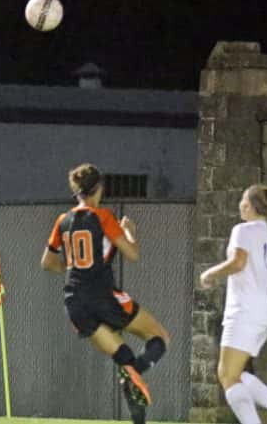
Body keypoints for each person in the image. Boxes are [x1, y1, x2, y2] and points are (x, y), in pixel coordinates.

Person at [40, 163, 170, 424]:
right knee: (160, 336)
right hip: (101, 294)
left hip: (74, 302)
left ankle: (136, 404)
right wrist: (131, 233)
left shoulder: (63, 221)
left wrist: (73, 264)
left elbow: (47, 262)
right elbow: (132, 254)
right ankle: (135, 372)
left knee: (123, 357)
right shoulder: (102, 217)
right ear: (99, 188)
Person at [200, 184, 267, 424]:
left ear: (252, 206)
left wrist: (209, 274)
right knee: (238, 374)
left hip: (244, 312)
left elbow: (238, 263)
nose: (240, 204)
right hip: (264, 314)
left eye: (243, 200)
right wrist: (263, 281)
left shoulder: (243, 230)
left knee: (227, 374)